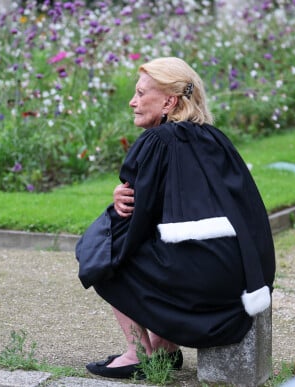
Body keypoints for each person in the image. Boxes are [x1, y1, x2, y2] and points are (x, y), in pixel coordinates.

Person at [75, 57, 275, 379]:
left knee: (103, 244)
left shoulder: (157, 142)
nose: (132, 101)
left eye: (141, 94)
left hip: (201, 281)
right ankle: (164, 348)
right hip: (240, 277)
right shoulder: (215, 138)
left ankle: (138, 353)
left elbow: (135, 220)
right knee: (171, 245)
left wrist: (116, 210)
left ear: (169, 101)